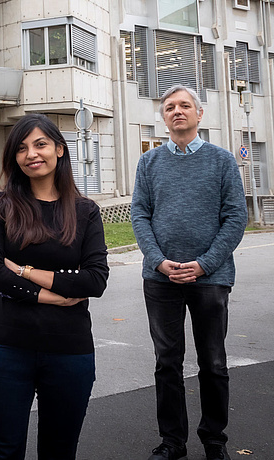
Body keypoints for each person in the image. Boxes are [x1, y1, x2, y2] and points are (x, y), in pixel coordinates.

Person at [0, 113, 109, 460]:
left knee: (59, 451)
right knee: (4, 450)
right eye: (21, 148)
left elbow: (95, 279)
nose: (31, 154)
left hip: (69, 350)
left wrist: (24, 271)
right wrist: (52, 295)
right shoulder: (1, 205)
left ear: (60, 150)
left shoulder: (86, 211)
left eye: (40, 144)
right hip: (8, 347)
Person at [132, 85, 247, 460]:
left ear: (199, 115)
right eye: (170, 107)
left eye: (184, 106)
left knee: (213, 362)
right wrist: (157, 259)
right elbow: (140, 215)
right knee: (167, 362)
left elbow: (235, 217)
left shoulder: (222, 161)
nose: (177, 111)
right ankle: (172, 443)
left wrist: (205, 264)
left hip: (210, 279)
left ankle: (215, 442)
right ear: (163, 118)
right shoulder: (149, 163)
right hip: (160, 277)